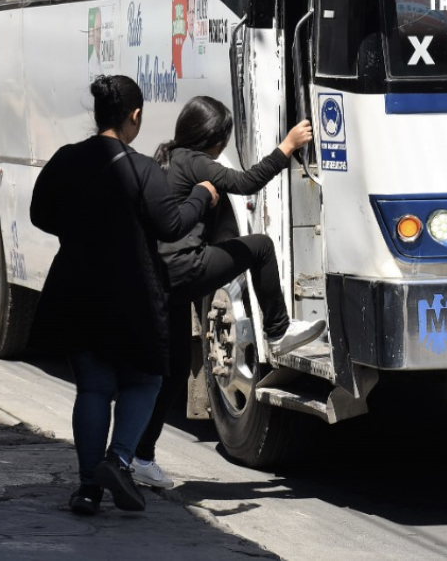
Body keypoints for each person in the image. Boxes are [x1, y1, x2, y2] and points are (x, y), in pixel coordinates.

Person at [28, 74, 218, 516]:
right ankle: (118, 460)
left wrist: (80, 233)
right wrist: (201, 197)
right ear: (134, 116)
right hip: (131, 290)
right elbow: (171, 226)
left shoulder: (66, 160)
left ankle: (88, 489)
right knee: (146, 378)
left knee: (93, 388)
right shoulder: (143, 169)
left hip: (75, 285)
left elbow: (40, 214)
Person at [129, 96, 324, 489]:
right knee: (261, 247)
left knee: (173, 373)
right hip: (189, 269)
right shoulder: (196, 161)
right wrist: (287, 147)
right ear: (213, 139)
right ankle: (277, 330)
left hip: (161, 278)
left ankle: (139, 456)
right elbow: (246, 182)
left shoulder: (166, 158)